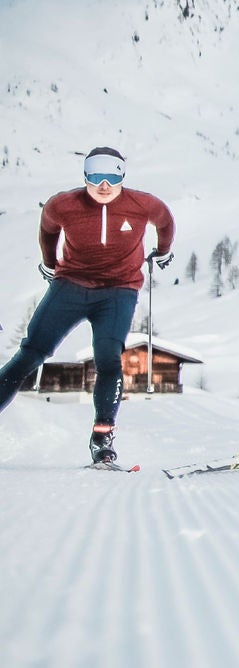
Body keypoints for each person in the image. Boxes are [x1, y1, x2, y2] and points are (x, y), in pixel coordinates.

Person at [0, 147, 175, 466]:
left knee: (108, 358)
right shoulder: (62, 205)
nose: (104, 185)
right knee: (31, 353)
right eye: (96, 176)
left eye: (112, 177)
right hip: (70, 286)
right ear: (85, 176)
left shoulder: (142, 204)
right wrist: (50, 263)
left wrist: (163, 251)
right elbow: (48, 230)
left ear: (122, 176)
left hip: (119, 291)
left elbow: (165, 221)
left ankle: (102, 440)